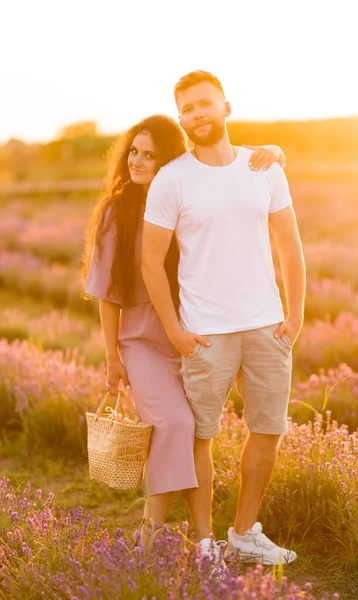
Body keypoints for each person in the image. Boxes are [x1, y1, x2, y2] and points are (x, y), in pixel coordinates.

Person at [82, 114, 285, 545]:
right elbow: (105, 292)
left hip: (196, 329)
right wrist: (112, 358)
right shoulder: (116, 211)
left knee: (195, 432)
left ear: (170, 163)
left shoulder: (185, 192)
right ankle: (151, 534)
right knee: (175, 424)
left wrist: (276, 153)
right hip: (143, 341)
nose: (138, 161)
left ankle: (205, 537)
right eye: (134, 151)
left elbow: (224, 167)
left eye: (150, 155)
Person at [142, 71, 306, 567]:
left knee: (268, 428)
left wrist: (295, 313)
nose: (197, 114)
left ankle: (244, 532)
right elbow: (150, 262)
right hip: (205, 333)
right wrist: (174, 330)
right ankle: (205, 543)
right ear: (181, 118)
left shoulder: (264, 167)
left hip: (266, 324)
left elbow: (290, 245)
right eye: (187, 109)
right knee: (201, 435)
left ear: (226, 108)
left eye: (205, 104)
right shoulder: (172, 179)